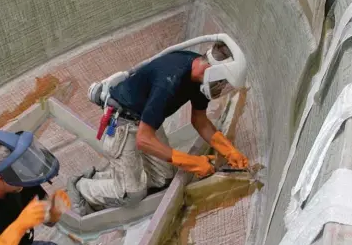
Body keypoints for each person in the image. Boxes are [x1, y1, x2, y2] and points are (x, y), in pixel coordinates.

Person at [68, 36, 250, 215]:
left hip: (145, 118)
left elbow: (200, 121)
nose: (222, 87)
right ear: (212, 70)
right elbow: (144, 140)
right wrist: (192, 162)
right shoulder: (170, 82)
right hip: (122, 122)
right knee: (132, 194)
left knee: (164, 178)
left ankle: (103, 177)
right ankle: (82, 188)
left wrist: (229, 150)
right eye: (223, 82)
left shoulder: (201, 78)